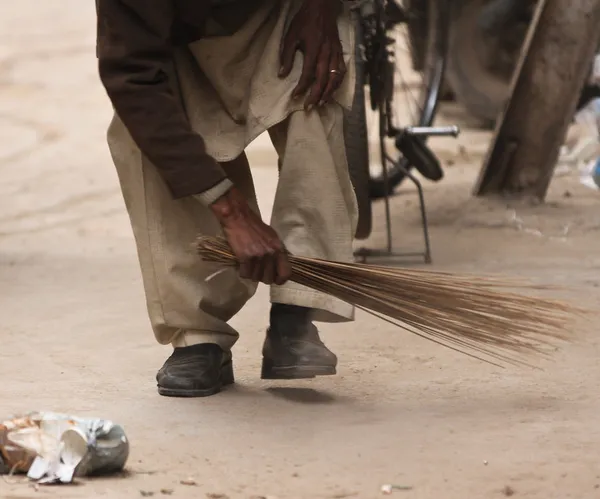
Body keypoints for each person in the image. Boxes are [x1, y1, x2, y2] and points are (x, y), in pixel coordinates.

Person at [96, 0, 358, 397]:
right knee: (143, 136)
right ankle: (198, 334)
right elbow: (133, 78)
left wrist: (321, 8)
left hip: (283, 11)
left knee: (316, 85)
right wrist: (229, 209)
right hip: (176, 36)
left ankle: (297, 313)